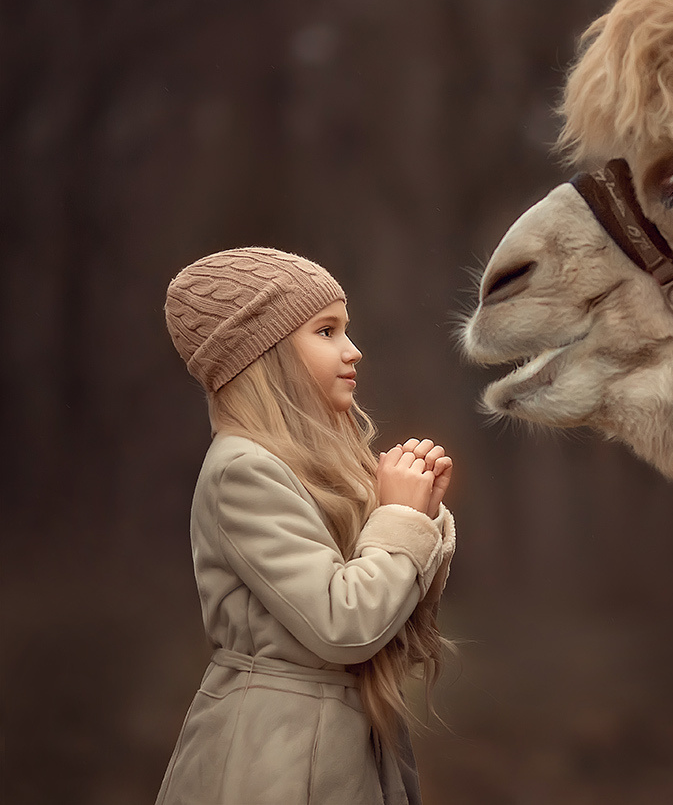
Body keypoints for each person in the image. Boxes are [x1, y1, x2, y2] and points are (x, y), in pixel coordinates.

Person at [157, 246, 455, 805]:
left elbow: (389, 634)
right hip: (277, 761)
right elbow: (344, 626)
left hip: (332, 747)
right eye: (326, 332)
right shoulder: (243, 470)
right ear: (265, 355)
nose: (353, 350)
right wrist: (398, 520)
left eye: (346, 329)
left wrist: (421, 520)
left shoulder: (300, 468)